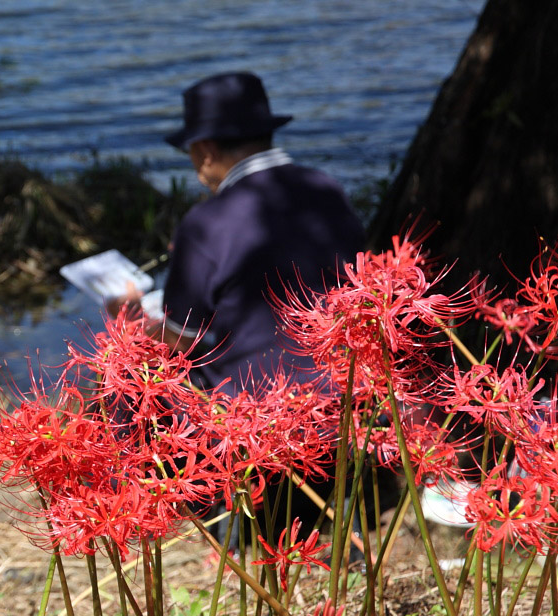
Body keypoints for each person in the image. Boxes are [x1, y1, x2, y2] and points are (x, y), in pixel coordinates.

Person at [111, 71, 368, 546]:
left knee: (130, 383)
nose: (195, 169)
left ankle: (185, 522)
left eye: (191, 155)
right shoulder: (326, 190)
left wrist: (129, 318)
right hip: (342, 397)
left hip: (253, 415)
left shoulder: (206, 221)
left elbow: (180, 341)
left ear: (205, 150)